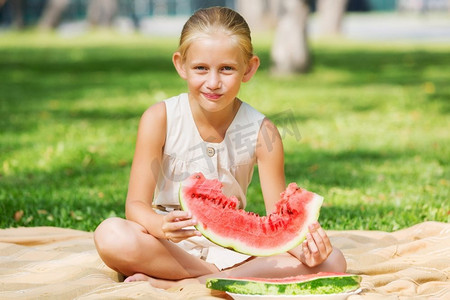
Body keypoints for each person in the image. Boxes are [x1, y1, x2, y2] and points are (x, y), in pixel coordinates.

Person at [94, 6, 346, 289]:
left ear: (249, 69)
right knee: (111, 234)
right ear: (180, 65)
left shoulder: (263, 132)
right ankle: (210, 278)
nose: (213, 83)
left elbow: (280, 221)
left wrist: (308, 250)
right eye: (201, 68)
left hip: (234, 252)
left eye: (227, 69)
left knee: (333, 262)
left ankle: (180, 282)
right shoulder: (159, 119)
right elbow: (136, 206)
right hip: (167, 245)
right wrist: (159, 225)